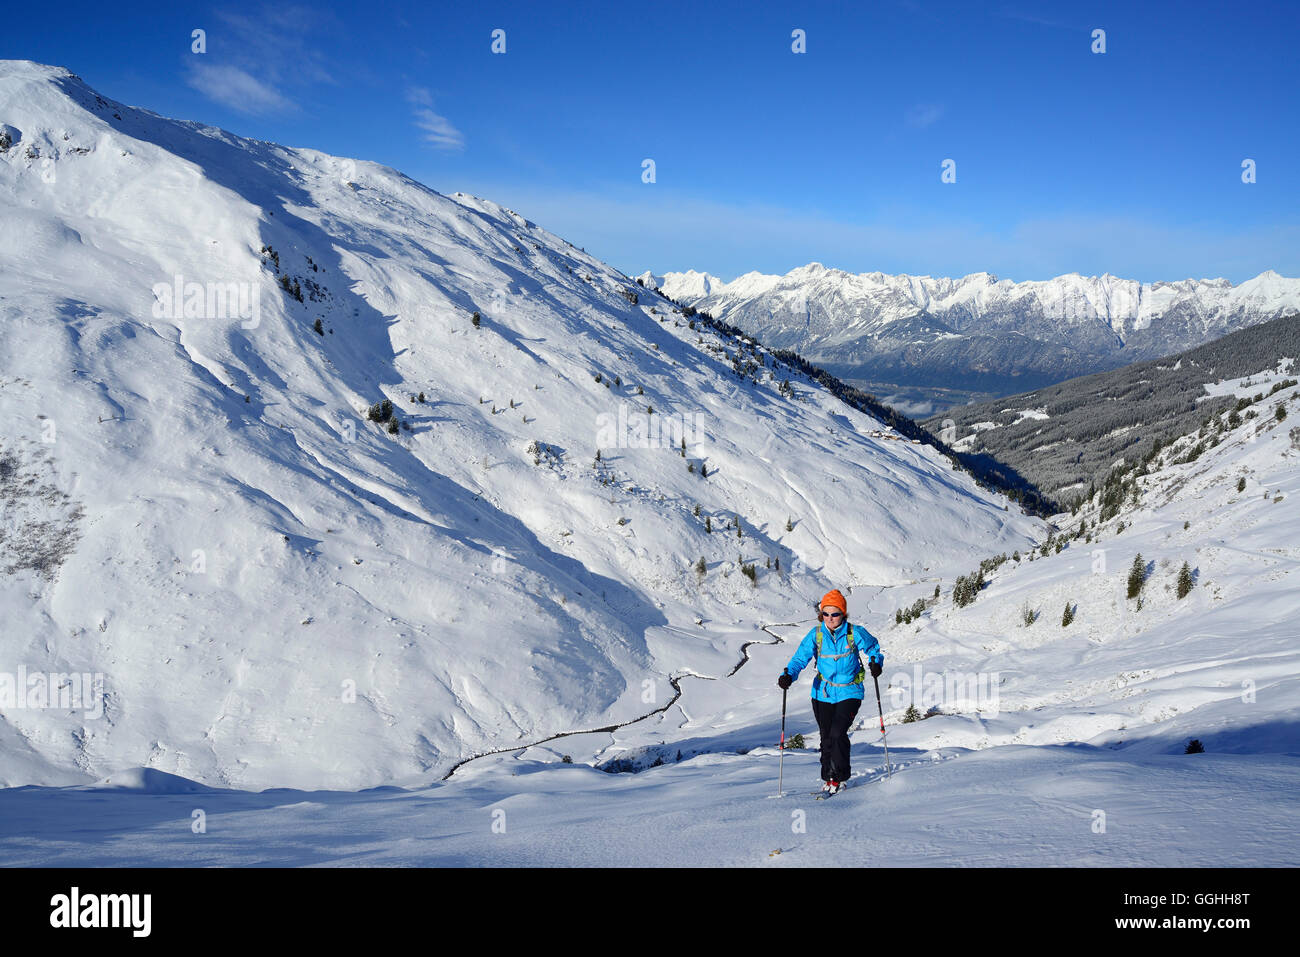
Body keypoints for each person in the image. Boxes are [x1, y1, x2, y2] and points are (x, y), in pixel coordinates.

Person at [777, 589, 883, 794]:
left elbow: (873, 648)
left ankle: (841, 777)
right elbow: (800, 658)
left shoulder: (854, 633)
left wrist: (875, 663)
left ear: (843, 613)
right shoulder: (816, 635)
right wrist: (789, 675)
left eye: (835, 614)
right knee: (826, 736)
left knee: (837, 733)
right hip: (822, 692)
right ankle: (828, 778)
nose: (830, 618)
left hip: (850, 691)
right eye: (826, 614)